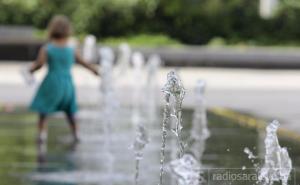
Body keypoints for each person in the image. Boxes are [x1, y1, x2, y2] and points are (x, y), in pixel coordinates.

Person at [29, 15, 99, 143]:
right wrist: (94, 70)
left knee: (43, 110)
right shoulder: (71, 48)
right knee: (70, 111)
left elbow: (39, 64)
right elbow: (83, 62)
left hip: (51, 83)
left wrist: (30, 70)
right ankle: (76, 133)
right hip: (67, 84)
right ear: (68, 30)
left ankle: (42, 135)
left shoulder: (47, 48)